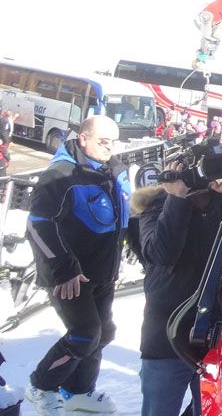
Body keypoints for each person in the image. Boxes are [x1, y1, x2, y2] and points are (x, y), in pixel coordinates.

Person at [132, 140, 222, 416]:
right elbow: (160, 254)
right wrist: (177, 199)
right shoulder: (155, 205)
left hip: (213, 336)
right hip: (165, 335)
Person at [24, 116, 130, 415]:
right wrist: (64, 268)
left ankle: (78, 391)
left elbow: (124, 218)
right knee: (84, 334)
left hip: (102, 272)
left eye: (114, 141)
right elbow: (38, 225)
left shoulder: (114, 169)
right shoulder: (61, 174)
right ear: (83, 138)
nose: (110, 148)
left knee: (103, 333)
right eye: (103, 141)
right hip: (68, 275)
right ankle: (41, 385)